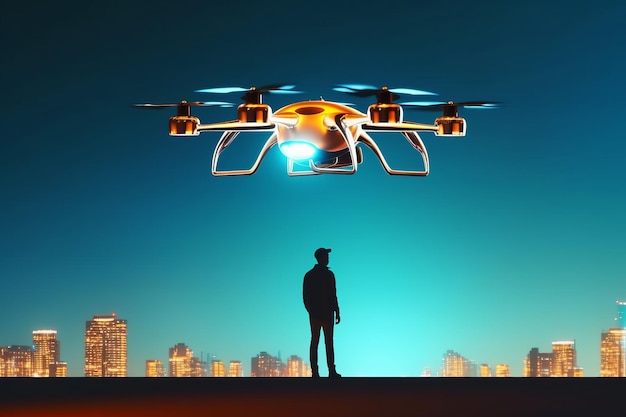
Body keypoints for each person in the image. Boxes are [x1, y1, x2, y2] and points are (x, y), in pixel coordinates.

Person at [303, 247, 341, 378]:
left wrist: (336, 310)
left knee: (317, 341)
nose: (328, 258)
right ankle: (328, 371)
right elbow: (332, 294)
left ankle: (318, 372)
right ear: (321, 258)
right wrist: (336, 310)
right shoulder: (327, 275)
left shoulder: (310, 275)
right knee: (326, 342)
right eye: (326, 256)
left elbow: (306, 297)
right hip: (323, 313)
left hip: (320, 313)